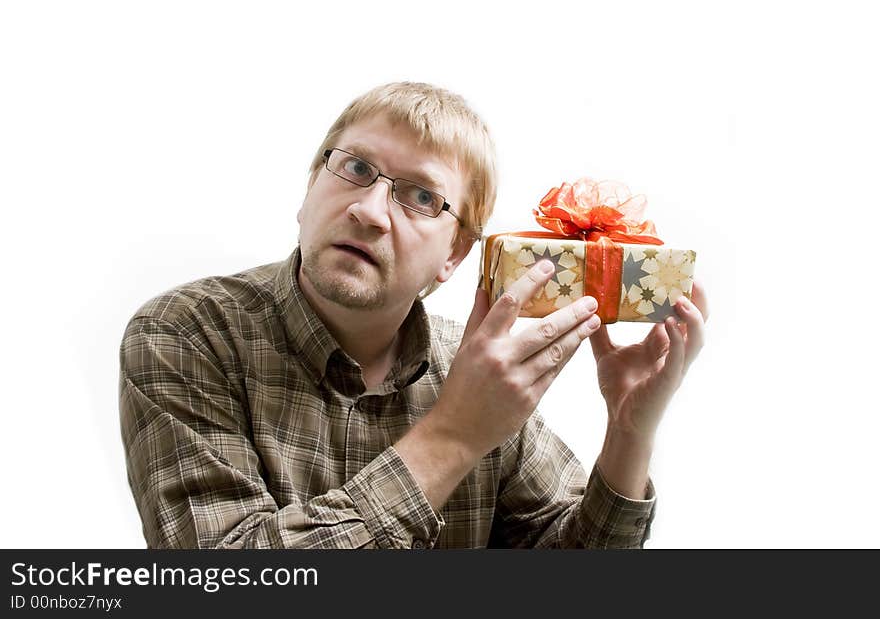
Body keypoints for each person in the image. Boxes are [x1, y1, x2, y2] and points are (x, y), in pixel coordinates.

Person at [119, 81, 708, 549]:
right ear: (308, 189)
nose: (371, 212)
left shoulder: (472, 368)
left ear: (454, 254)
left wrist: (630, 434)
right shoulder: (184, 333)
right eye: (354, 168)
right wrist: (455, 433)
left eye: (420, 197)